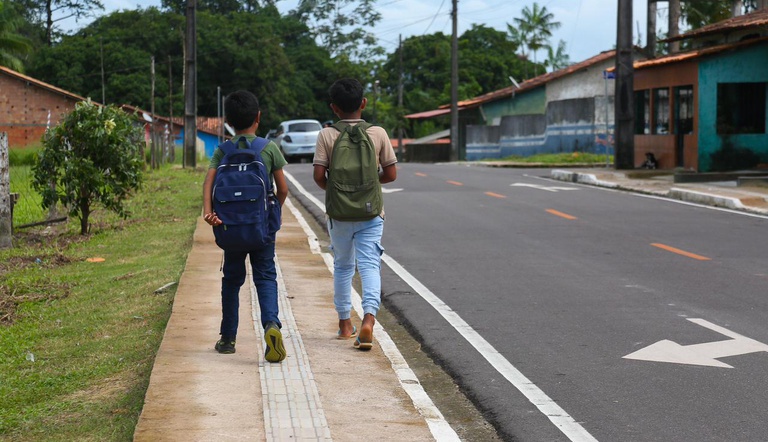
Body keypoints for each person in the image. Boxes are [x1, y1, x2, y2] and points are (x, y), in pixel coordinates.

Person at [202, 90, 289, 362]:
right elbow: (283, 189)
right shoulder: (268, 148)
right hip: (261, 230)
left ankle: (228, 338)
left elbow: (209, 183)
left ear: (228, 121)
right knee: (265, 277)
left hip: (231, 229)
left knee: (231, 281)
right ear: (258, 117)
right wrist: (272, 213)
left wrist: (209, 213)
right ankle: (271, 326)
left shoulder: (223, 150)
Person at [312, 78, 398, 350]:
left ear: (333, 108)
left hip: (339, 214)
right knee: (370, 265)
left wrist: (340, 193)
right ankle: (369, 320)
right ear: (363, 103)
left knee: (343, 266)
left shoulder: (326, 134)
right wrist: (367, 187)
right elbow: (392, 174)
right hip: (370, 213)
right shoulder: (378, 133)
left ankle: (344, 324)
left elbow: (318, 176)